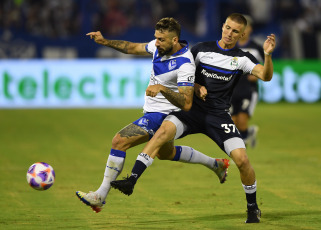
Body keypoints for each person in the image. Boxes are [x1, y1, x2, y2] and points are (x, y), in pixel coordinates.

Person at [111, 13, 276, 224]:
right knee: (162, 132)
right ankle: (132, 180)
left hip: (218, 116)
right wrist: (196, 87)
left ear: (242, 34)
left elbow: (266, 76)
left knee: (242, 160)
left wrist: (268, 55)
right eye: (227, 27)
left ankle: (252, 208)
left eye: (235, 31)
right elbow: (185, 71)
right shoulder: (200, 50)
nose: (229, 33)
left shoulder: (242, 58)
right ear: (222, 26)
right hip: (191, 112)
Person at [76, 17, 230, 213]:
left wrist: (162, 89)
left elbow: (187, 103)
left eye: (161, 39)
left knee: (119, 141)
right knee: (167, 153)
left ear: (174, 40)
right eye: (155, 38)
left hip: (164, 115)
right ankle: (216, 164)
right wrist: (105, 41)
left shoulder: (184, 64)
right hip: (153, 111)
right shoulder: (159, 47)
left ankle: (100, 195)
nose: (156, 43)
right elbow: (132, 48)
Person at [230, 15, 264, 148]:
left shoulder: (256, 47)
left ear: (250, 29)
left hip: (249, 89)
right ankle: (248, 133)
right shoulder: (230, 46)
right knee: (234, 122)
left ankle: (240, 151)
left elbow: (265, 65)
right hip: (232, 89)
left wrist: (258, 74)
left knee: (242, 120)